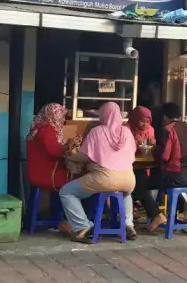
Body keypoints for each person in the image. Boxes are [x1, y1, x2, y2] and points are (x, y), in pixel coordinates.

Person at [59, 102, 137, 243]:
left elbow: (85, 156)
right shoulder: (126, 132)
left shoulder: (98, 131)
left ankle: (82, 226)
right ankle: (128, 224)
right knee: (125, 193)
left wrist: (71, 155)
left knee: (66, 192)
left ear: (104, 115)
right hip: (129, 179)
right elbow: (132, 153)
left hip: (104, 179)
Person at [132, 102, 187, 231]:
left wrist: (153, 149)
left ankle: (156, 215)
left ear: (164, 116)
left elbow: (164, 155)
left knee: (138, 185)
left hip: (173, 174)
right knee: (160, 183)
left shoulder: (168, 129)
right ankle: (183, 212)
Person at [25, 103, 76, 192]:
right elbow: (55, 151)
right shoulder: (47, 129)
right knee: (79, 182)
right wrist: (69, 144)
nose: (64, 120)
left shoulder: (36, 129)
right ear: (54, 117)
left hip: (34, 173)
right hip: (48, 175)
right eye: (62, 117)